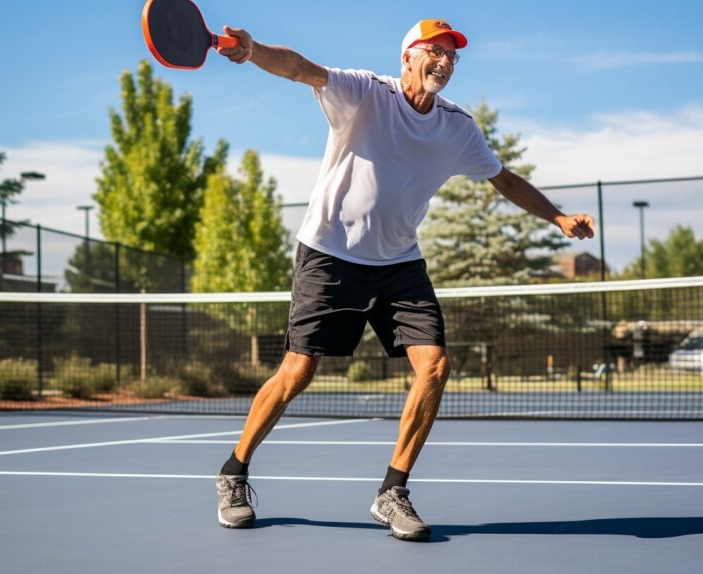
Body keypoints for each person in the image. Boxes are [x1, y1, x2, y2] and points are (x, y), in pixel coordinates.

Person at [213, 19, 596, 542]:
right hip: (330, 254)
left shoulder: (457, 128)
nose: (444, 61)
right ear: (407, 57)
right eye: (434, 51)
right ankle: (234, 473)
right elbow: (301, 69)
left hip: (399, 264)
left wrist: (556, 217)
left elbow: (504, 179)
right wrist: (253, 50)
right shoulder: (365, 94)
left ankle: (392, 491)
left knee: (434, 365)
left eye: (452, 55)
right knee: (297, 371)